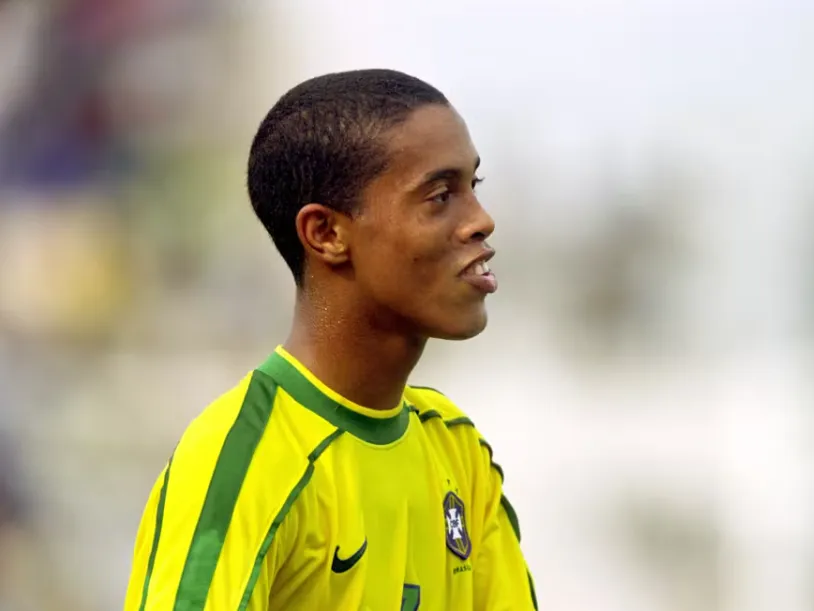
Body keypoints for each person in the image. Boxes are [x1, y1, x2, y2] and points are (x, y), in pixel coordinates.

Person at [124, 69, 537, 610]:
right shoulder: (243, 458)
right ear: (326, 234)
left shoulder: (458, 451)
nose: (480, 222)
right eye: (440, 196)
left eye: (472, 188)